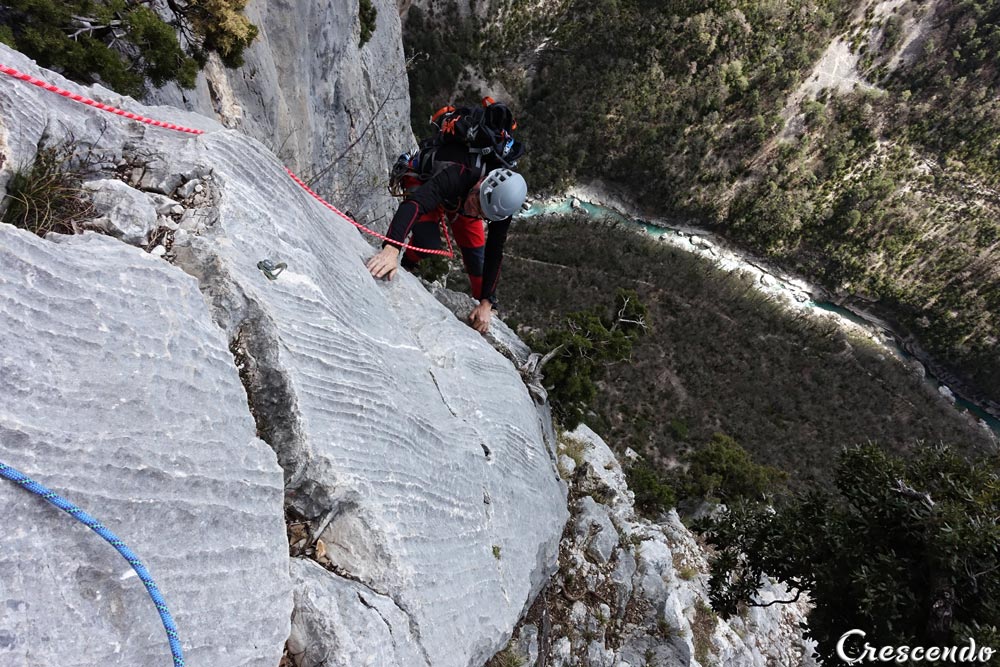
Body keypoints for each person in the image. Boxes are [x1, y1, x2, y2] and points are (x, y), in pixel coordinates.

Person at [366, 144, 527, 334]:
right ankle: (405, 265)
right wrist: (391, 248)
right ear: (481, 183)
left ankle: (482, 310)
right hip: (427, 180)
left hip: (460, 196)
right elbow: (415, 204)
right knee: (426, 242)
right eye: (477, 205)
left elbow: (494, 251)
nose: (473, 211)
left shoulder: (501, 206)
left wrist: (487, 302)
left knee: (477, 259)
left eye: (482, 214)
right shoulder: (459, 174)